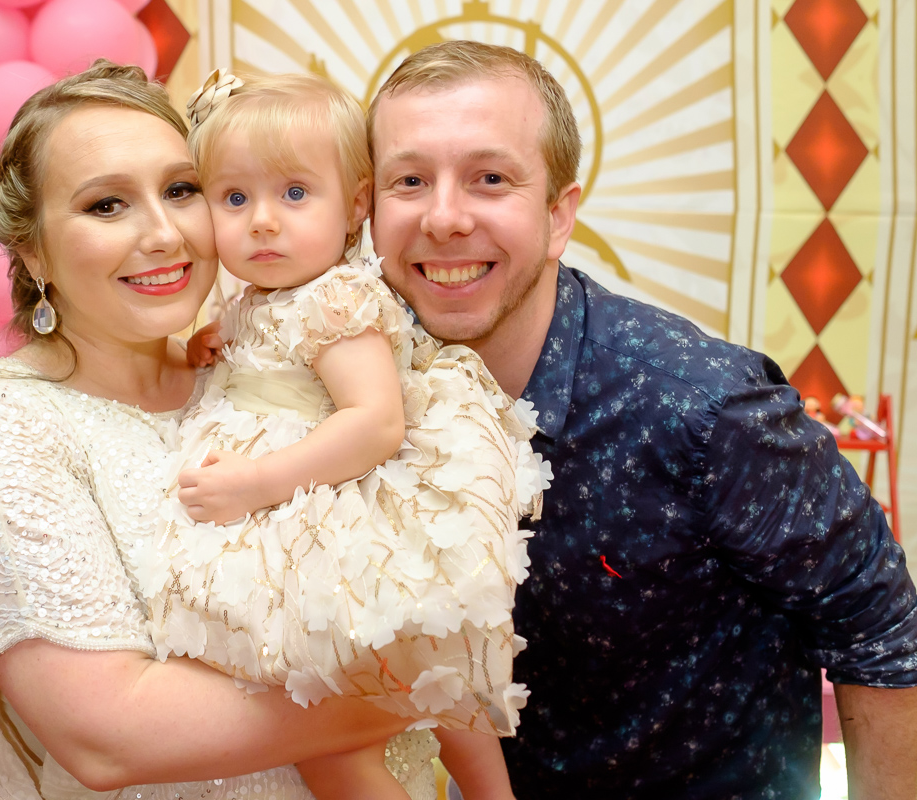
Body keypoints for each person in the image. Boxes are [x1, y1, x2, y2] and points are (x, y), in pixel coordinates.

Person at [367, 40, 917, 799]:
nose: (444, 217)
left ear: (559, 215)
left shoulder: (705, 409)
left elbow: (881, 629)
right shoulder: (369, 391)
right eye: (410, 181)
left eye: (490, 179)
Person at [0, 60, 443, 800]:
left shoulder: (253, 367)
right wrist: (431, 675)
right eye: (107, 205)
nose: (164, 234)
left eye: (180, 190)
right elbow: (106, 738)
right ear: (33, 251)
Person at [138, 69, 547, 800]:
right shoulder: (259, 297)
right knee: (406, 681)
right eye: (235, 198)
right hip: (294, 506)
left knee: (339, 715)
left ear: (356, 204)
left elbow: (375, 422)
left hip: (332, 505)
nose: (263, 221)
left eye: (295, 194)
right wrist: (211, 346)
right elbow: (259, 357)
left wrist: (254, 483)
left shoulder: (335, 300)